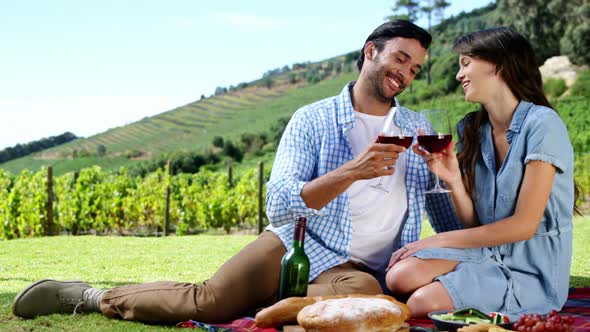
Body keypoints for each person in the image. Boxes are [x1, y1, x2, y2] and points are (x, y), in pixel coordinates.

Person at [12, 20, 460, 325]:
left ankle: (273, 306)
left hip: (363, 271)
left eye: (415, 68)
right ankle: (89, 297)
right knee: (210, 302)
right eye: (400, 59)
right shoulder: (313, 119)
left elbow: (443, 214)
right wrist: (349, 172)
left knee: (365, 295)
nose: (406, 74)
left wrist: (450, 178)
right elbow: (280, 203)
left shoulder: (417, 128)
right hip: (302, 243)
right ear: (370, 52)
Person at [385, 27, 580, 318]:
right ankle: (463, 282)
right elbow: (473, 224)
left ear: (499, 64)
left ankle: (460, 286)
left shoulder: (542, 125)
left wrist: (432, 241)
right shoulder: (472, 129)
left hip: (530, 268)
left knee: (420, 304)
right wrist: (453, 179)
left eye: (466, 63)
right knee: (398, 277)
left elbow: (524, 226)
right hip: (487, 252)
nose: (458, 75)